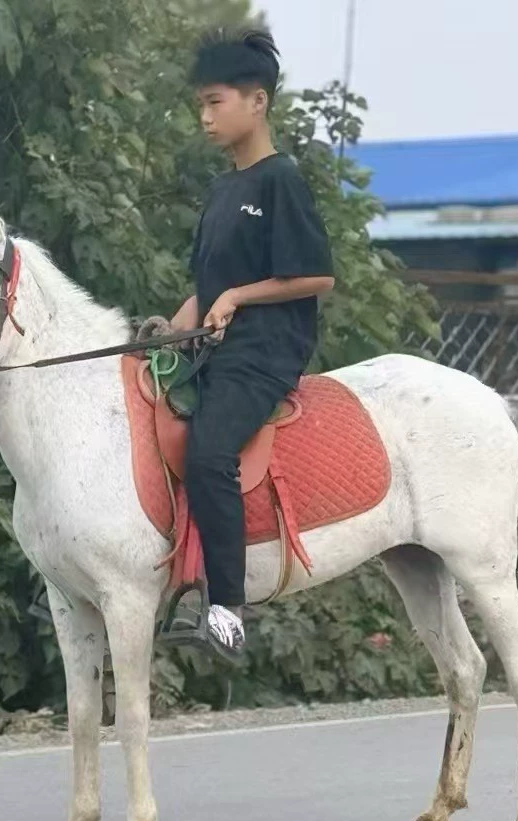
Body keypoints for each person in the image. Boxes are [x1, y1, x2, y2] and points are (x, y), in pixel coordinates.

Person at [169, 27, 335, 660]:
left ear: (257, 102)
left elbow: (316, 275)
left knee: (210, 451)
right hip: (212, 345)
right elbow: (207, 286)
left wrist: (237, 299)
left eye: (216, 103)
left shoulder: (280, 180)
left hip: (264, 352)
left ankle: (227, 610)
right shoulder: (220, 191)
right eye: (201, 107)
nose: (206, 117)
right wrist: (173, 322)